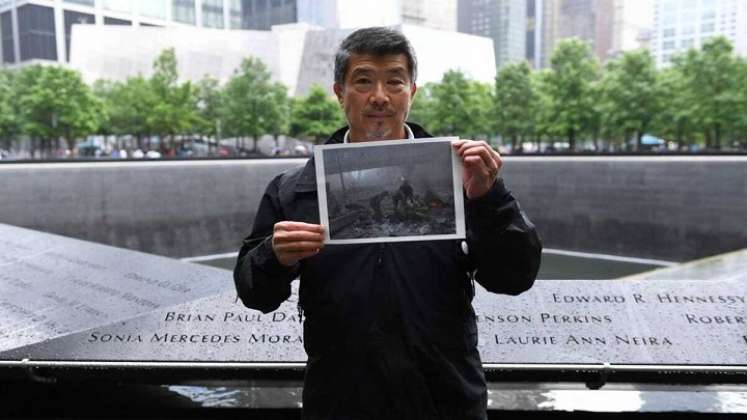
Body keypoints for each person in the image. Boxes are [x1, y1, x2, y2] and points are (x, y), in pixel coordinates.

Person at [234, 27, 542, 420]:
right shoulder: (295, 190)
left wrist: (489, 198)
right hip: (340, 404)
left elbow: (514, 278)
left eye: (394, 81)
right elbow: (254, 292)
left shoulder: (463, 179)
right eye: (363, 81)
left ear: (411, 92)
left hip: (446, 402)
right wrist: (272, 256)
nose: (379, 96)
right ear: (339, 92)